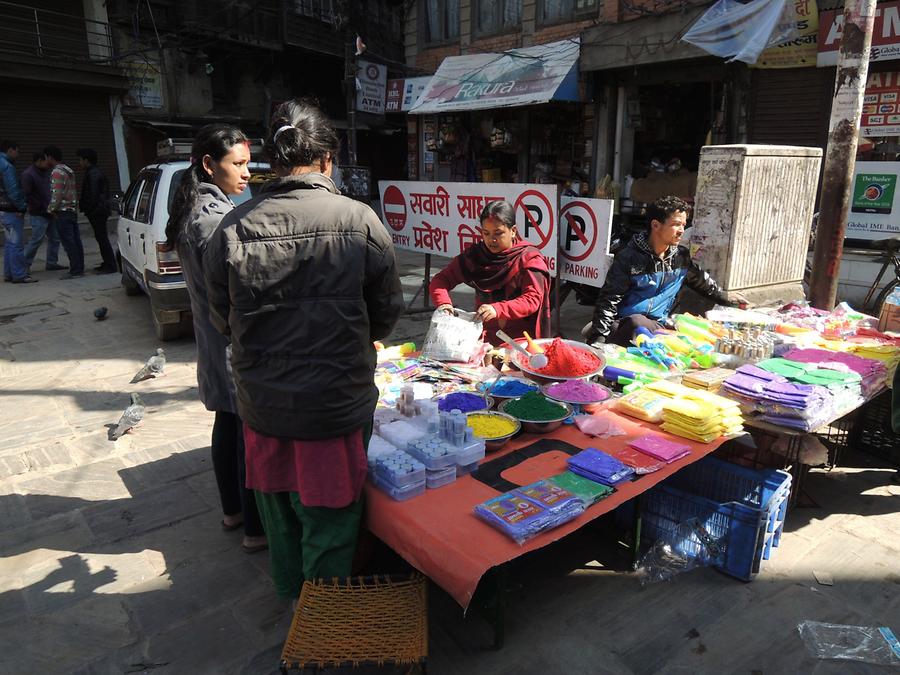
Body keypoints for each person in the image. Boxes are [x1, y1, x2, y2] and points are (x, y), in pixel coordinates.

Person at [204, 98, 404, 601]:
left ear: (274, 158)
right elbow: (384, 314)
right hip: (334, 406)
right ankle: (324, 625)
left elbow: (221, 320)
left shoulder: (232, 227)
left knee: (281, 515)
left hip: (263, 404)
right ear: (328, 159)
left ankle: (295, 602)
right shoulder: (360, 221)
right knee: (331, 522)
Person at [165, 124, 267, 554]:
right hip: (229, 343)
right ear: (209, 165)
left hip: (214, 340)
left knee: (227, 423)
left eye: (248, 164)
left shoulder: (201, 209)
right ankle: (254, 529)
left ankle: (233, 512)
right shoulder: (212, 220)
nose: (246, 173)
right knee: (244, 431)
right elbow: (237, 287)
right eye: (237, 164)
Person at [583, 195, 746, 347]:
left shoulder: (680, 257)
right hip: (625, 324)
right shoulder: (629, 257)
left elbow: (703, 283)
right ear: (655, 225)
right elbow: (609, 300)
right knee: (637, 322)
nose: (682, 230)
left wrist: (728, 298)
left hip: (658, 325)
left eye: (684, 224)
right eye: (676, 224)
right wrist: (598, 339)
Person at [429, 199, 551, 346]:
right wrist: (443, 304)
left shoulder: (528, 258)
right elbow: (441, 280)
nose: (491, 240)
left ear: (513, 231)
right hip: (481, 337)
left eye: (498, 233)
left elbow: (532, 299)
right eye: (486, 233)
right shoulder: (475, 256)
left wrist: (497, 308)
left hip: (521, 341)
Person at [45, 146, 85, 279]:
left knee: (68, 242)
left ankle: (75, 270)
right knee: (75, 240)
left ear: (50, 157)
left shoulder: (56, 172)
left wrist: (51, 209)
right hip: (72, 210)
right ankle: (79, 267)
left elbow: (57, 194)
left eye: (46, 157)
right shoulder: (68, 170)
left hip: (62, 211)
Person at [23, 151, 65, 273]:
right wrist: (43, 207)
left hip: (49, 211)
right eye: (46, 160)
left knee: (55, 237)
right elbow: (28, 195)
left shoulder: (45, 173)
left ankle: (52, 262)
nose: (49, 163)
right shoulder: (29, 175)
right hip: (38, 212)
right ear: (39, 161)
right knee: (37, 239)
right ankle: (24, 264)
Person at [0, 140, 36, 283]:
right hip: (12, 209)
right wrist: (21, 207)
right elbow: (13, 190)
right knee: (16, 243)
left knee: (10, 243)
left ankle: (10, 273)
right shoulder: (7, 166)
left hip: (3, 209)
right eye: (17, 151)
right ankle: (19, 274)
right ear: (10, 150)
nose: (18, 154)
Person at [77, 148, 116, 274]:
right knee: (101, 237)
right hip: (98, 210)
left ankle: (110, 265)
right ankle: (108, 263)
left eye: (81, 160)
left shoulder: (93, 174)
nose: (79, 163)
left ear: (86, 160)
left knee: (102, 238)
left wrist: (88, 207)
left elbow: (93, 195)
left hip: (97, 211)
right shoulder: (93, 172)